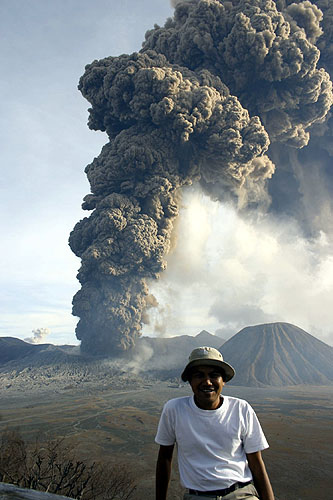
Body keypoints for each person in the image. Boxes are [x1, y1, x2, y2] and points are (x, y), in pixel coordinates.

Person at [155, 346, 275, 500]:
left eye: (214, 375)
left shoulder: (241, 409)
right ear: (190, 381)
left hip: (240, 494)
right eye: (199, 375)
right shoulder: (174, 409)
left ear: (223, 381)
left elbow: (256, 463)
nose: (207, 382)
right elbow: (164, 457)